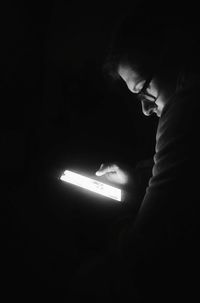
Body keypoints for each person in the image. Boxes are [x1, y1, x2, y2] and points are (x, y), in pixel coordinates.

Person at [94, 2, 200, 302]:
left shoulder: (186, 105)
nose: (145, 108)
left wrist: (117, 231)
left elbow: (145, 242)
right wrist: (138, 176)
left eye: (144, 89)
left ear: (171, 58)